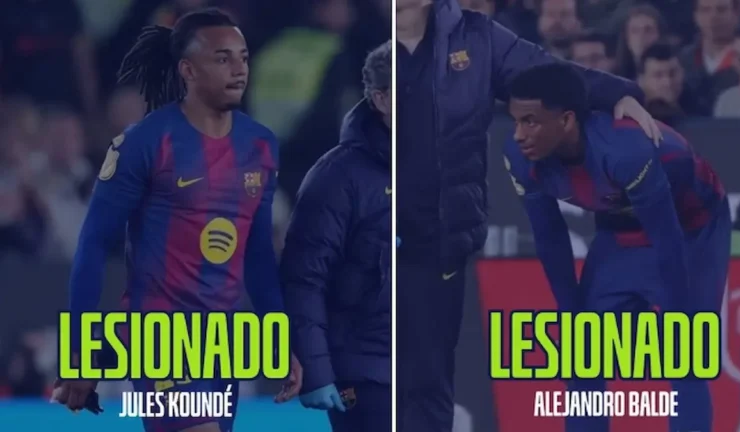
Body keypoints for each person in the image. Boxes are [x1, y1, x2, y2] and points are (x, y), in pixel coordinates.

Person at [395, 1, 660, 430]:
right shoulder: (360, 35)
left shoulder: (475, 37)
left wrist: (619, 92)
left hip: (438, 231)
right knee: (371, 372)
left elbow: (546, 77)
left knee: (427, 377)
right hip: (374, 228)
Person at [52, 8, 302, 432]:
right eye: (223, 58)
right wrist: (79, 351)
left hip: (223, 342)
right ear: (187, 70)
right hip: (161, 336)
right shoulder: (145, 143)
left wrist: (279, 342)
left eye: (243, 57)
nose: (239, 68)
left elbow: (256, 254)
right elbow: (93, 246)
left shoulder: (260, 145)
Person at [503, 63, 730, 432]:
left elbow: (668, 239)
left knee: (684, 355)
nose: (518, 135)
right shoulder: (519, 157)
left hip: (693, 227)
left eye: (530, 121)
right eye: (515, 121)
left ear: (566, 121)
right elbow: (550, 238)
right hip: (620, 225)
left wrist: (678, 315)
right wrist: (571, 311)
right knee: (583, 352)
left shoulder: (624, 149)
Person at [280, 41, 392, 432]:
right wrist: (316, 370)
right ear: (381, 99)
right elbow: (303, 277)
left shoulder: (438, 166)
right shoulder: (337, 176)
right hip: (362, 371)